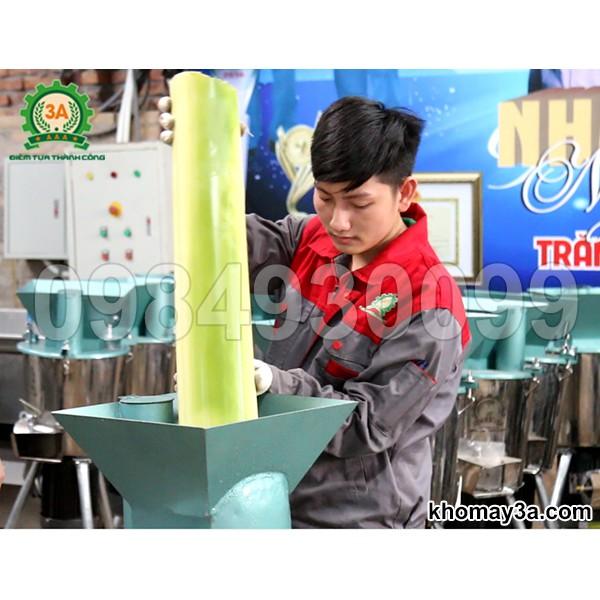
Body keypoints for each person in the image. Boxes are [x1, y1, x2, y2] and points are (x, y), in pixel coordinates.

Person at [159, 92, 470, 528]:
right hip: (269, 495)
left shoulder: (429, 304)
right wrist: (207, 154)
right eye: (324, 197)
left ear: (404, 193)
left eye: (359, 203)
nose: (338, 221)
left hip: (356, 521)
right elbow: (220, 241)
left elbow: (367, 426)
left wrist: (274, 384)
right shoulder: (310, 239)